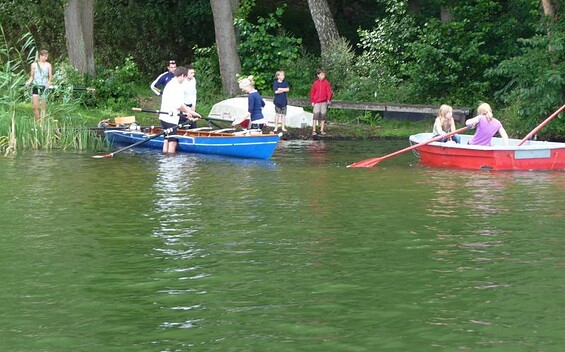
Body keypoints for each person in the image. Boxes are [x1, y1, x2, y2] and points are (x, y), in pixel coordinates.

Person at [159, 66, 200, 154]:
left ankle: (165, 159)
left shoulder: (171, 83)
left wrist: (191, 112)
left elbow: (180, 104)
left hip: (164, 117)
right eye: (185, 78)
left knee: (167, 139)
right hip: (170, 118)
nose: (185, 80)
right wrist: (188, 112)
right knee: (173, 142)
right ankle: (171, 162)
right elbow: (178, 105)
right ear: (182, 76)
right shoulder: (176, 86)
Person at [25, 49, 53, 121]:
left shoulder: (48, 65)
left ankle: (42, 122)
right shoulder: (34, 65)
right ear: (40, 56)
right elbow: (32, 76)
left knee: (43, 106)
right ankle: (38, 121)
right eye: (44, 56)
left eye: (47, 57)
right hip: (36, 86)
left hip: (44, 87)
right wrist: (28, 82)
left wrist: (48, 83)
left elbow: (50, 77)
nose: (46, 58)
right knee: (35, 107)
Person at [310, 68, 332, 136]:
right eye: (322, 75)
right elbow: (312, 92)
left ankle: (322, 130)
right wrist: (312, 101)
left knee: (323, 116)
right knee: (315, 116)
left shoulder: (326, 83)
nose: (323, 76)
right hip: (316, 102)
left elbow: (329, 91)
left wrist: (329, 99)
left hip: (324, 102)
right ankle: (314, 130)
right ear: (318, 75)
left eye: (324, 75)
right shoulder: (315, 83)